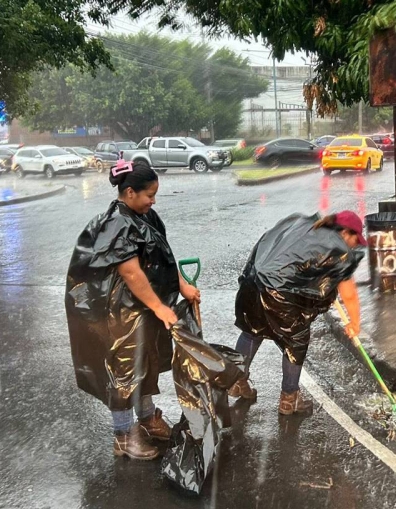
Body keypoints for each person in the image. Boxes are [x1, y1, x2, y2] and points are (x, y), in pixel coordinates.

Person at [65, 160, 201, 460]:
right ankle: (124, 436)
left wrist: (181, 286)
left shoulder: (145, 215)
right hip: (121, 311)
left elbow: (164, 255)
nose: (153, 200)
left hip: (142, 308)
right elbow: (131, 273)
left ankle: (148, 417)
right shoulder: (116, 223)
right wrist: (159, 307)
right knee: (125, 371)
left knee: (146, 363)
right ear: (129, 192)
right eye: (149, 194)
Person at [232, 211, 366, 415]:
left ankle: (236, 381)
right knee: (296, 341)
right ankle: (290, 398)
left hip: (253, 281)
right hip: (280, 292)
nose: (355, 245)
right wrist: (355, 323)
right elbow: (349, 295)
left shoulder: (304, 225)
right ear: (346, 233)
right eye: (356, 239)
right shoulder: (338, 250)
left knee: (253, 329)